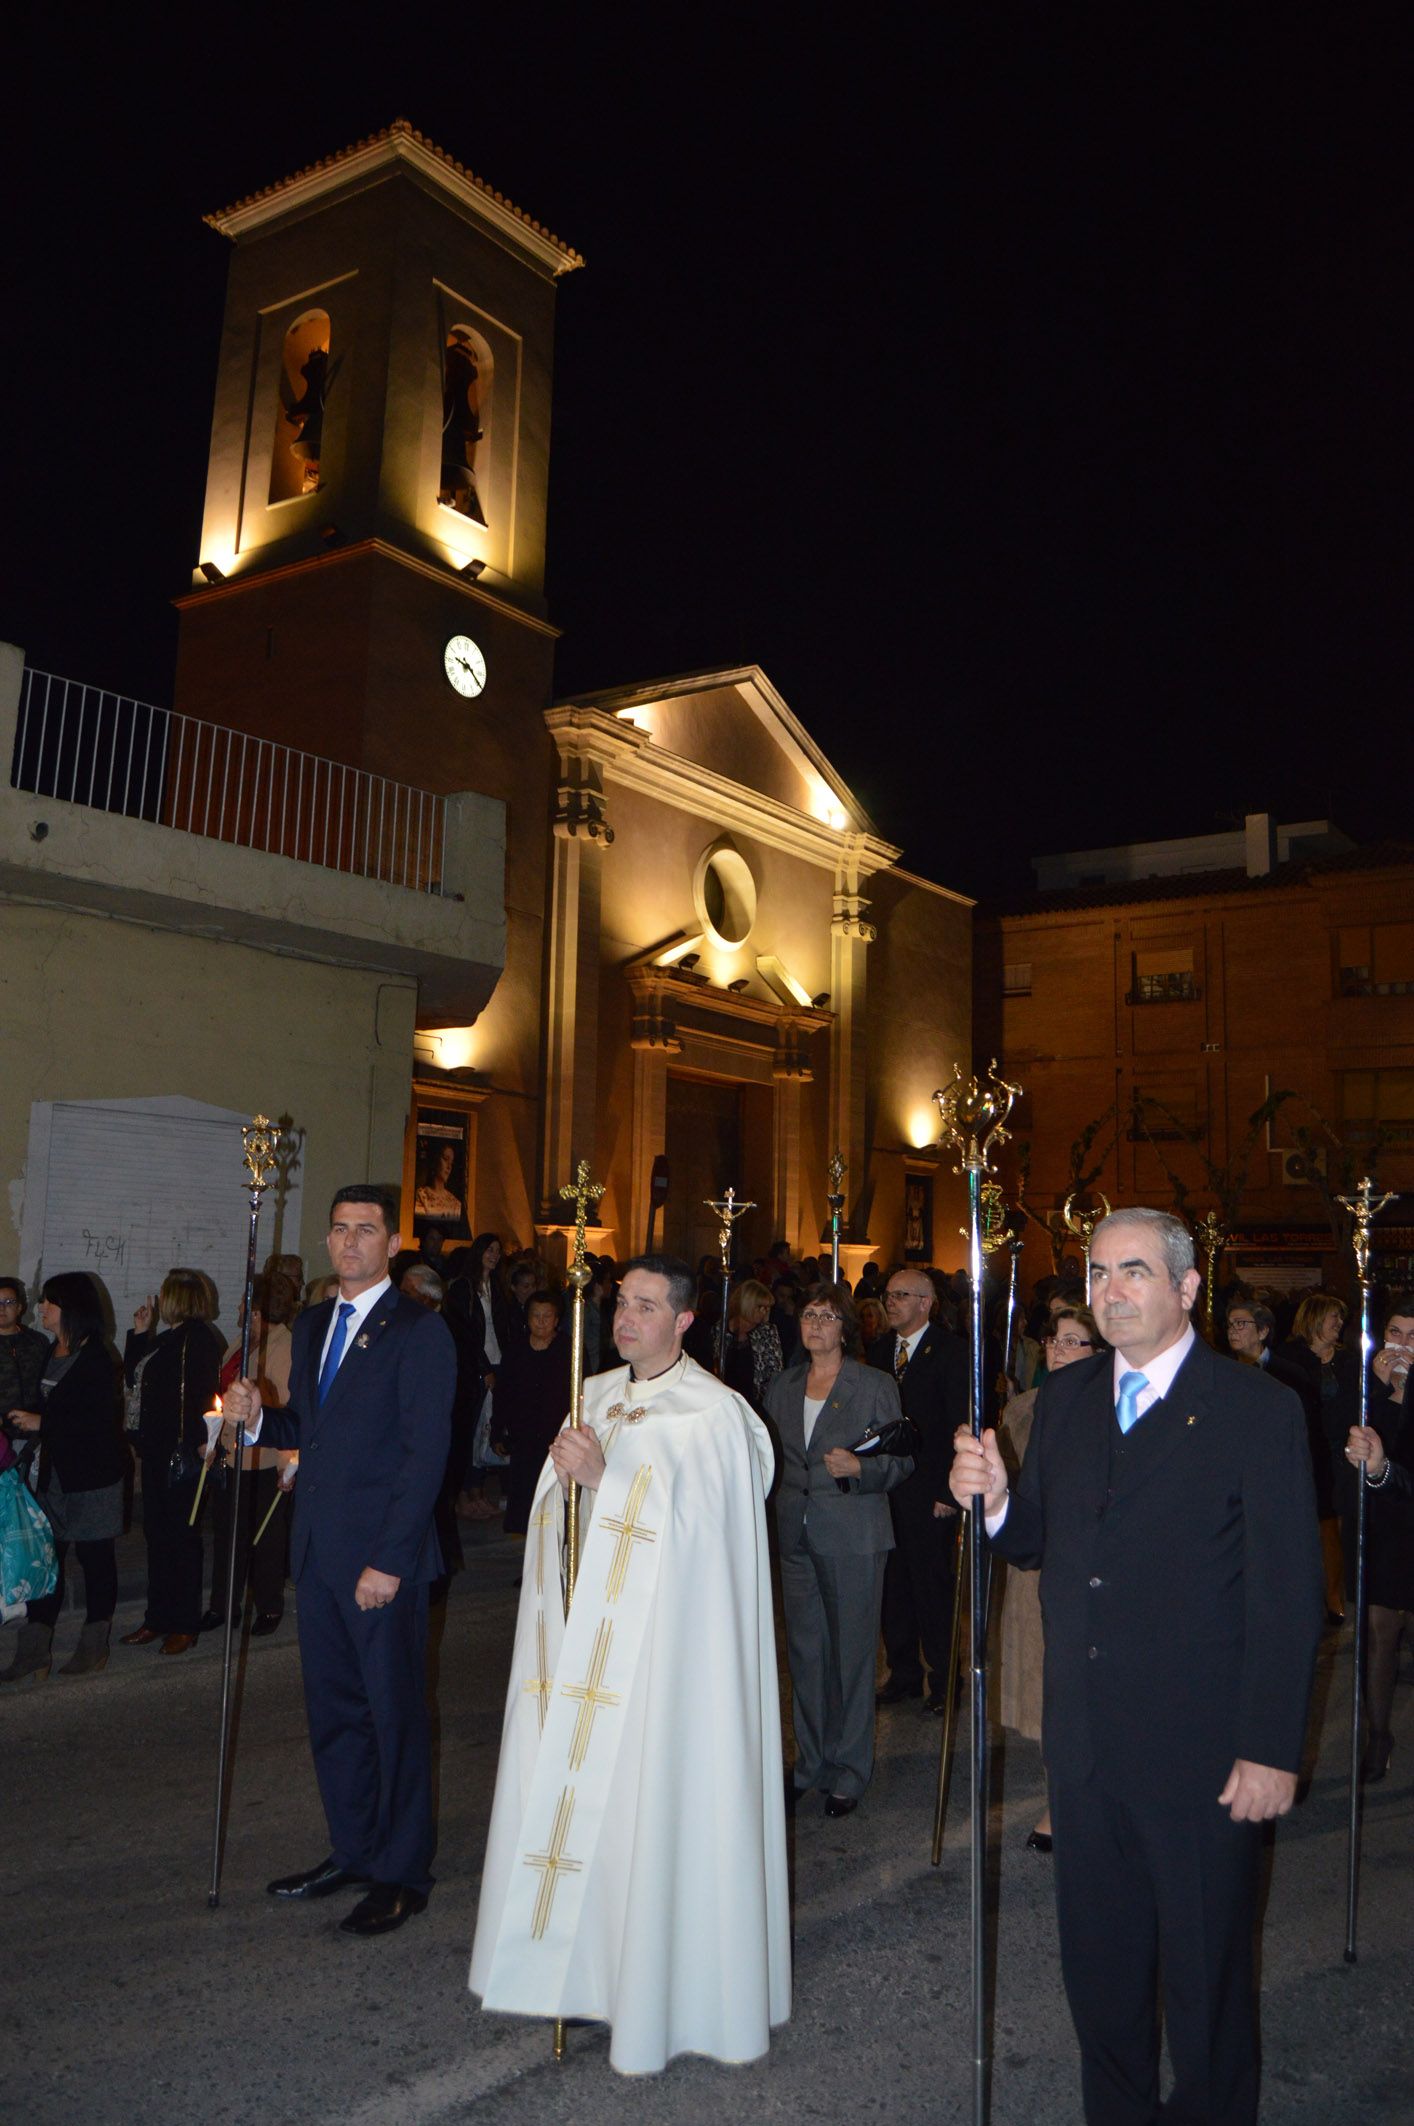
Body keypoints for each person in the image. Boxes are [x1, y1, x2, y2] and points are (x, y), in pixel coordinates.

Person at [950, 1207, 1323, 2126]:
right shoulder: (1069, 1398)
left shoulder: (1257, 1409)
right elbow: (1043, 1540)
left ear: (1188, 1288)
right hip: (1087, 1751)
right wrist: (997, 1502)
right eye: (1099, 1274)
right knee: (1103, 1981)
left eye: (1134, 1273)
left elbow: (1287, 1596)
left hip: (1202, 1756)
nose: (1110, 1292)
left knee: (1205, 1985)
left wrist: (1271, 1748)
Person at [469, 1254, 789, 2072]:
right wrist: (567, 1486)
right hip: (587, 1649)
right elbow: (554, 1512)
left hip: (665, 1663)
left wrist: (606, 1481)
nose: (625, 1318)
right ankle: (588, 1971)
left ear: (685, 1320)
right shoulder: (597, 1391)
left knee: (651, 1816)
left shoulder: (713, 1415)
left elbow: (709, 1548)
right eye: (621, 1303)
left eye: (646, 1306)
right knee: (593, 1820)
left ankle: (662, 1984)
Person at [220, 1185, 455, 1937]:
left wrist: (389, 1559)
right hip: (318, 1553)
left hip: (381, 1562)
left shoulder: (420, 1332)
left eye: (366, 1230)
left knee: (395, 1718)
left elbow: (425, 1458)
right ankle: (353, 1850)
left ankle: (401, 1872)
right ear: (328, 1242)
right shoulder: (318, 1321)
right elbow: (307, 1429)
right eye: (340, 1229)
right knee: (335, 1717)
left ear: (392, 1244)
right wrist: (260, 1419)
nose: (350, 1241)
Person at [770, 1281, 911, 1816]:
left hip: (853, 1533)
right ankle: (811, 1762)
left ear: (846, 1328)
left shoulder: (872, 1385)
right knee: (806, 1654)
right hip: (796, 1534)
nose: (816, 1325)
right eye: (809, 1314)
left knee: (851, 1657)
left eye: (828, 1317)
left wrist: (861, 1469)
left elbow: (902, 1461)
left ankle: (851, 1769)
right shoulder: (781, 1387)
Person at [992, 1302, 1105, 1851]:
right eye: (1053, 1341)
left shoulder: (1106, 1408)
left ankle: (1070, 1801)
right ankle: (1061, 1791)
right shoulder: (1026, 1405)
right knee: (1042, 1687)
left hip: (1079, 1567)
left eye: (1071, 1342)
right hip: (1031, 1566)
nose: (1057, 1350)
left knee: (1077, 1691)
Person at [2, 1273, 125, 1684]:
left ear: (70, 1308)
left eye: (48, 1303)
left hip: (93, 1477)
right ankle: (34, 1652)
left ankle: (94, 1646)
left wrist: (44, 1421)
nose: (40, 1309)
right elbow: (46, 1402)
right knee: (46, 1560)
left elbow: (97, 1422)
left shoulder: (96, 1357)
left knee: (95, 1560)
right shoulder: (53, 1349)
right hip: (54, 1475)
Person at [872, 1267, 968, 1713]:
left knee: (932, 1588)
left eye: (901, 1295)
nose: (890, 1302)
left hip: (930, 1491)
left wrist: (949, 1492)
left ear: (926, 1303)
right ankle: (904, 1672)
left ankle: (947, 1682)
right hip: (885, 1490)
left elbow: (958, 1423)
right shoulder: (876, 1352)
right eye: (888, 1294)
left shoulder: (950, 1353)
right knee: (893, 1587)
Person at [121, 1270, 224, 1655]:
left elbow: (205, 1397)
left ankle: (184, 1622)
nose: (160, 1302)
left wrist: (204, 1444)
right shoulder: (167, 1339)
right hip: (156, 1451)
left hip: (182, 1455)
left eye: (165, 1295)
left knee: (182, 1540)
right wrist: (139, 1331)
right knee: (157, 1537)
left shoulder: (198, 1339)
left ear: (178, 1298)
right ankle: (157, 1618)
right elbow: (135, 1377)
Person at [1340, 1293, 1414, 1780]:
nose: (1402, 1346)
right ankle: (1377, 1732)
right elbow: (1351, 1445)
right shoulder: (1363, 1383)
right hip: (1383, 1527)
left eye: (1412, 1337)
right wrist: (1384, 1391)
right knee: (1379, 1630)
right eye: (1394, 1334)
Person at [203, 1271, 299, 1639]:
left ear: (259, 1309)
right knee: (228, 1535)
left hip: (264, 1461)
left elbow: (287, 1409)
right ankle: (223, 1604)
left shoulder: (284, 1346)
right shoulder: (241, 1344)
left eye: (246, 1303)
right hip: (232, 1455)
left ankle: (268, 1604)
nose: (240, 1309)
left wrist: (290, 1463)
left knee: (265, 1538)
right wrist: (215, 1441)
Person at [496, 1289, 572, 1535]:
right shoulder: (516, 1349)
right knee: (525, 1501)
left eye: (546, 1316)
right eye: (535, 1315)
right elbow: (503, 1391)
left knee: (555, 1500)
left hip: (557, 1435)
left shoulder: (567, 1349)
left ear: (556, 1319)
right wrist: (498, 1429)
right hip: (524, 1435)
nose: (541, 1321)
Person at [0, 1278, 50, 1423]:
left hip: (35, 1429)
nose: (2, 1308)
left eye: (9, 1302)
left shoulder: (38, 1341)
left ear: (20, 1307)